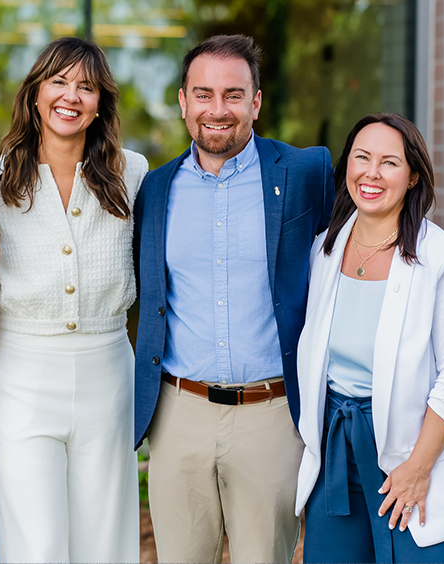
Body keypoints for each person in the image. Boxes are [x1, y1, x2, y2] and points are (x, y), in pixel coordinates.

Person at [133, 34, 334, 563]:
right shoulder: (154, 190)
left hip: (272, 415)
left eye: (232, 94)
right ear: (182, 102)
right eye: (203, 94)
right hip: (178, 415)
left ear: (256, 102)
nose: (217, 110)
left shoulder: (306, 173)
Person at [295, 112, 444, 563]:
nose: (371, 172)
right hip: (337, 455)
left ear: (412, 178)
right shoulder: (323, 250)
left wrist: (418, 469)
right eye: (361, 157)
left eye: (389, 162)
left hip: (419, 457)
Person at [0, 37, 148, 564]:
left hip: (108, 369)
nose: (71, 95)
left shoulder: (133, 173)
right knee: (33, 540)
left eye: (87, 86)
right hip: (21, 373)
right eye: (59, 81)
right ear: (35, 93)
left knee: (105, 535)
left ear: (101, 102)